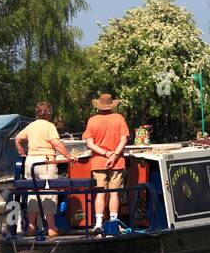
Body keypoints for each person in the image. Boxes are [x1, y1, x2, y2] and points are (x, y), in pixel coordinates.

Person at [15, 102, 76, 236]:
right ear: (49, 113)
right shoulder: (49, 126)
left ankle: (31, 227)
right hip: (45, 161)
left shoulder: (31, 126)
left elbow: (18, 139)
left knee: (33, 192)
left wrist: (21, 153)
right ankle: (52, 228)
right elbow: (55, 143)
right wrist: (69, 156)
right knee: (49, 192)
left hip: (30, 162)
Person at [83, 93, 131, 233]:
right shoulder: (119, 118)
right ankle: (114, 222)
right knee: (114, 193)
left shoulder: (92, 121)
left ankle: (98, 224)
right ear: (111, 105)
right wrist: (114, 155)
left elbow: (89, 144)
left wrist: (105, 154)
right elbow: (124, 140)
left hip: (98, 162)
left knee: (100, 193)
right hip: (117, 162)